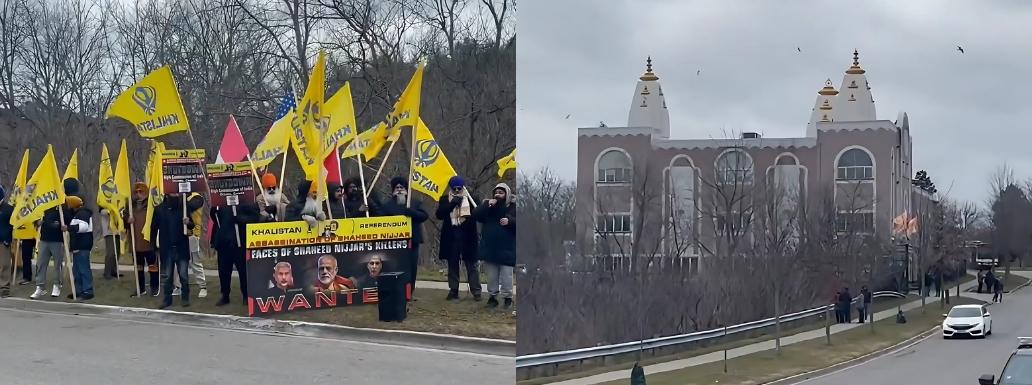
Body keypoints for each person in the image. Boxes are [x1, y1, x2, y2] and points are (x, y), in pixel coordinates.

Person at [377, 176, 429, 293]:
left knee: (411, 267)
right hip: (395, 242)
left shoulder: (415, 203)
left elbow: (424, 216)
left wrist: (412, 212)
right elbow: (380, 220)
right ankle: (396, 290)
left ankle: (410, 291)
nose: (399, 189)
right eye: (397, 187)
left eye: (402, 187)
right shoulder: (387, 205)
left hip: (412, 241)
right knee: (395, 267)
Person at [435, 176, 482, 301]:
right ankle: (453, 290)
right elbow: (439, 214)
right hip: (451, 236)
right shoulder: (445, 199)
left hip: (468, 236)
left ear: (463, 187)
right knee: (452, 264)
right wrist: (452, 204)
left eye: (459, 188)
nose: (456, 191)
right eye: (454, 189)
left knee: (471, 265)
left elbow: (479, 214)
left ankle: (476, 291)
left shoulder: (472, 198)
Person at [30, 178, 77, 299]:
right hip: (44, 238)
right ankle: (40, 287)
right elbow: (36, 215)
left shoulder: (63, 203)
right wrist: (38, 222)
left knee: (57, 264)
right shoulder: (45, 203)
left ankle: (57, 285)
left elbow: (68, 219)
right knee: (40, 264)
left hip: (57, 239)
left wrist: (61, 222)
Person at [473, 183, 516, 309]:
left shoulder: (513, 207)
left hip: (507, 248)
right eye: (496, 192)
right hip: (489, 247)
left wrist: (510, 221)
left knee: (507, 276)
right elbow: (476, 215)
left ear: (507, 194)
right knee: (491, 276)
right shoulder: (488, 206)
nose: (498, 195)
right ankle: (492, 298)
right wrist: (487, 205)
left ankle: (507, 298)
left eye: (501, 193)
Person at [210, 198, 259, 306]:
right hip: (224, 243)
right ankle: (225, 295)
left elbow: (255, 218)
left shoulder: (247, 200)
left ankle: (246, 295)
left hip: (239, 243)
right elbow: (215, 218)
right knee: (223, 272)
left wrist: (239, 219)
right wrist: (214, 209)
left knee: (243, 272)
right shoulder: (220, 202)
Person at [150, 192, 194, 308]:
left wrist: (188, 222)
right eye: (172, 193)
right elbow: (153, 229)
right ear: (167, 194)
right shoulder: (159, 209)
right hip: (167, 248)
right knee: (168, 276)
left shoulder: (184, 208)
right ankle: (167, 299)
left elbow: (192, 225)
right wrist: (153, 246)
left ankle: (185, 298)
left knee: (183, 275)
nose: (175, 195)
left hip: (181, 247)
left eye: (176, 193)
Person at [125, 183, 159, 296]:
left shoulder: (150, 205)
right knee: (138, 267)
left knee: (152, 266)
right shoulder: (130, 206)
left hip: (148, 241)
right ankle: (140, 288)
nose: (139, 194)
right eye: (137, 192)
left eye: (141, 192)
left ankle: (154, 287)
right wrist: (127, 220)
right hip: (135, 241)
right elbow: (124, 221)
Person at [173, 192, 208, 298]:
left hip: (192, 234)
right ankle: (179, 286)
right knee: (178, 262)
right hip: (179, 234)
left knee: (195, 262)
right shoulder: (178, 197)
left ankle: (202, 287)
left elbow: (188, 207)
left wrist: (177, 200)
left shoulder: (197, 197)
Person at [66, 196, 95, 300]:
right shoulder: (76, 215)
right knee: (76, 270)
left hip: (83, 245)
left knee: (83, 269)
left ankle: (87, 290)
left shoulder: (83, 213)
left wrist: (68, 228)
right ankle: (78, 290)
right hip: (77, 246)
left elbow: (84, 227)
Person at [98, 206, 121, 279]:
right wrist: (112, 210)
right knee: (110, 252)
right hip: (109, 232)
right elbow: (103, 212)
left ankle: (113, 271)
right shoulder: (104, 206)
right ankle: (107, 272)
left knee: (117, 252)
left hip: (118, 231)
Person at [0, 186, 13, 298]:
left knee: (4, 265)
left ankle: (4, 288)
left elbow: (12, 225)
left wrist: (7, 239)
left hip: (3, 241)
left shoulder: (8, 209)